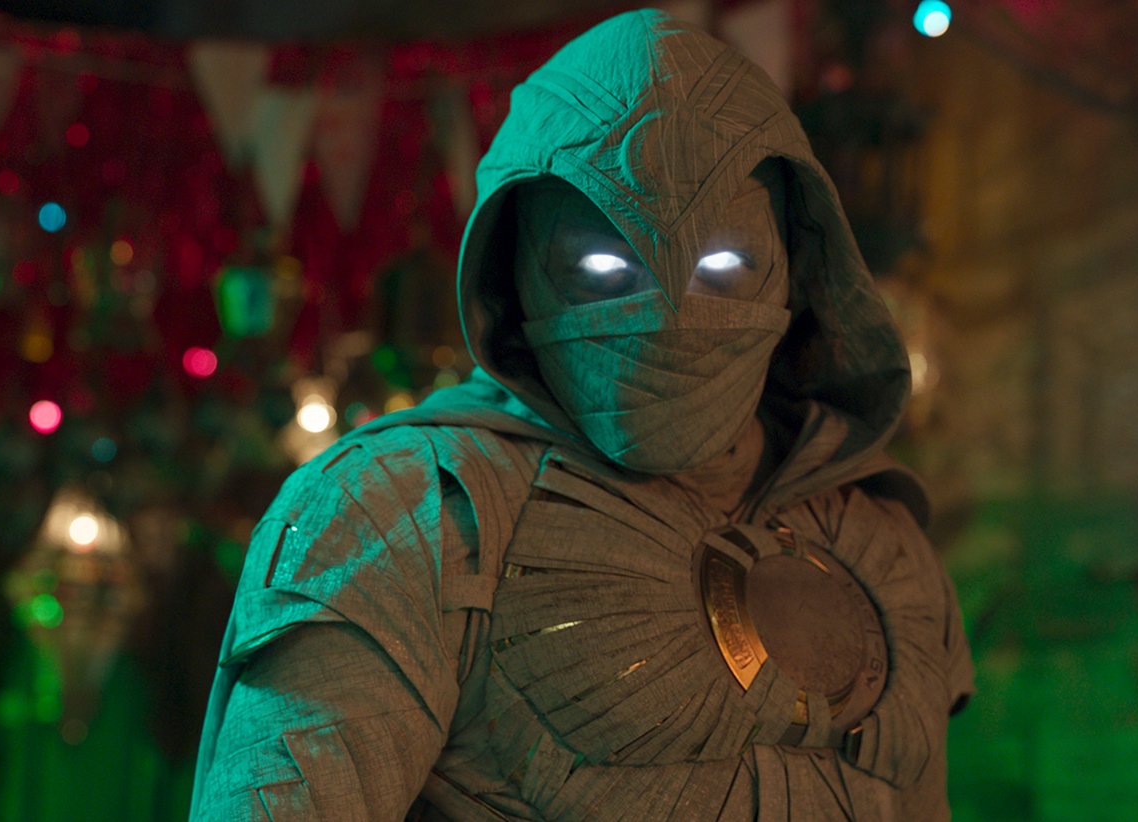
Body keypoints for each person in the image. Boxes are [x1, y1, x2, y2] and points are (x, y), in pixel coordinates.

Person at [192, 9, 973, 820]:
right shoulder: (404, 515)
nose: (671, 314)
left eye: (722, 264)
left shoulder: (879, 547)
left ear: (793, 264)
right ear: (517, 271)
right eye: (605, 269)